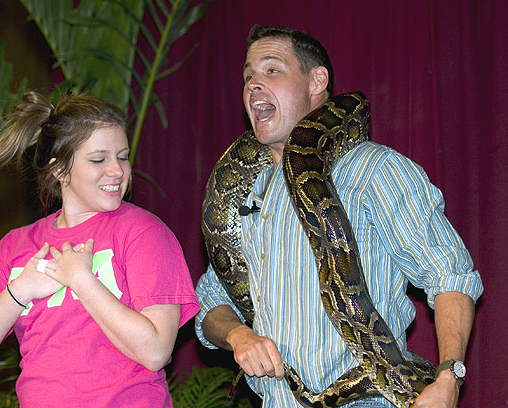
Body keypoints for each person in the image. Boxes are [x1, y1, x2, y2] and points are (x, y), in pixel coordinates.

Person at [195, 25, 483, 408]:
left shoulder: (373, 170)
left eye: (272, 70)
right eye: (248, 76)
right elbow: (209, 303)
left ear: (317, 81)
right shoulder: (248, 196)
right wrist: (237, 336)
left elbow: (450, 275)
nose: (253, 85)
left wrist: (449, 377)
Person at [0, 91, 200, 407]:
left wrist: (82, 281)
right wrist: (19, 291)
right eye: (99, 159)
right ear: (59, 170)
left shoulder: (144, 233)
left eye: (122, 156)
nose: (117, 171)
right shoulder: (16, 246)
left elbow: (155, 351)